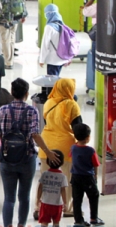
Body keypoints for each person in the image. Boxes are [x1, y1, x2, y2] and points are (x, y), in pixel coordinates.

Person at [0, 78, 59, 227]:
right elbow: (35, 134)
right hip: (27, 158)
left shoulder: (3, 110)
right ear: (27, 93)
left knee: (9, 198)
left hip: (7, 160)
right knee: (24, 197)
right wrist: (48, 151)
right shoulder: (32, 111)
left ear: (12, 93)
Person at [33, 78, 81, 219]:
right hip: (65, 147)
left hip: (46, 145)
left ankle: (40, 206)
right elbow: (78, 128)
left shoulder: (48, 102)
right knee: (66, 180)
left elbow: (48, 122)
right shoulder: (72, 105)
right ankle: (66, 207)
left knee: (45, 179)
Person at [70, 123, 104, 227]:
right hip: (88, 177)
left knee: (77, 198)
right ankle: (93, 218)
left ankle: (78, 220)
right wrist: (96, 176)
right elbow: (95, 164)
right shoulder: (90, 150)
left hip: (75, 177)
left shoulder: (73, 148)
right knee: (94, 196)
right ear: (88, 137)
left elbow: (72, 158)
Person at [36, 150, 68, 227]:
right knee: (56, 221)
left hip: (45, 202)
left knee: (44, 221)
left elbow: (40, 187)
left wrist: (38, 199)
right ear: (62, 163)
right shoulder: (62, 176)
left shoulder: (45, 174)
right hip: (57, 204)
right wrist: (65, 203)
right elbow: (63, 190)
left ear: (47, 162)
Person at [39, 4, 71, 76]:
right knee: (56, 79)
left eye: (46, 14)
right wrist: (68, 58)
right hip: (62, 58)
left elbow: (44, 44)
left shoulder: (49, 27)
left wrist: (41, 60)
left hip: (53, 59)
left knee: (51, 82)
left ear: (49, 14)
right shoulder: (62, 25)